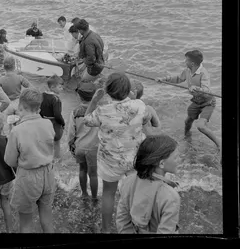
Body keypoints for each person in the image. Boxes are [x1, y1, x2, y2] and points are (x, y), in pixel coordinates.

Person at [83, 72, 147, 233]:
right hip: (133, 158)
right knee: (134, 192)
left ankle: (106, 229)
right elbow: (144, 119)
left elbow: (87, 120)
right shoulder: (139, 105)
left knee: (108, 193)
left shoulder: (102, 111)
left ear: (107, 91)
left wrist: (94, 100)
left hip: (110, 160)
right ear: (128, 90)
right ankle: (136, 224)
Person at [4, 88, 55, 233]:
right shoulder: (48, 124)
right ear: (38, 108)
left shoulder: (17, 131)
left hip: (29, 177)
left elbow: (9, 161)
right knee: (46, 218)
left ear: (20, 108)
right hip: (48, 173)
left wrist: (12, 130)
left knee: (26, 223)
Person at [155, 50, 220, 152]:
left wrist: (196, 88)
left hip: (208, 103)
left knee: (201, 126)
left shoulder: (204, 73)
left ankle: (219, 144)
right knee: (187, 122)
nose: (185, 62)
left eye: (186, 60)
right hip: (196, 101)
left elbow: (207, 90)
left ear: (192, 63)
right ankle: (187, 138)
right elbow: (178, 79)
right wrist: (164, 79)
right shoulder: (187, 71)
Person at [115, 135, 181, 234]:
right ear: (162, 164)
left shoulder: (128, 182)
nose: (179, 160)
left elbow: (122, 220)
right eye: (176, 157)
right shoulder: (171, 197)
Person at [67, 82, 99, 203]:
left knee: (82, 170)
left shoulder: (75, 112)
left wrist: (71, 147)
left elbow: (70, 133)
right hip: (94, 148)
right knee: (93, 174)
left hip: (79, 146)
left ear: (78, 97)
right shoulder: (99, 111)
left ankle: (84, 194)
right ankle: (95, 197)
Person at [0, 56, 31, 136]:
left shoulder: (0, 80)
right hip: (18, 103)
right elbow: (30, 87)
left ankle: (8, 141)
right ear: (14, 66)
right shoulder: (20, 78)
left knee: (7, 126)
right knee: (19, 124)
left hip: (6, 105)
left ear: (4, 67)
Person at [39, 75, 65, 161]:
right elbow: (57, 114)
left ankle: (46, 157)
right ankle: (57, 158)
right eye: (60, 87)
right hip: (54, 123)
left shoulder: (42, 95)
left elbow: (39, 110)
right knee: (56, 142)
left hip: (44, 121)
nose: (62, 89)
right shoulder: (56, 99)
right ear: (53, 87)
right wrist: (62, 123)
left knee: (45, 141)